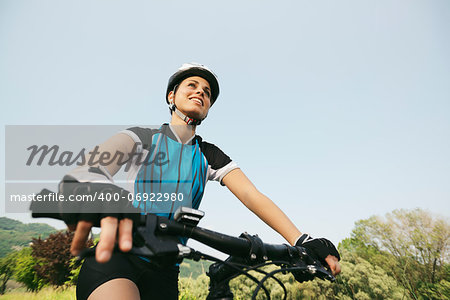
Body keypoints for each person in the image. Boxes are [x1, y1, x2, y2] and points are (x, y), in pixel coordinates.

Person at [61, 63, 341, 300]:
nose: (200, 93)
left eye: (206, 92)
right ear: (172, 95)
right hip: (117, 259)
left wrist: (302, 240)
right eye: (192, 86)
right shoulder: (140, 139)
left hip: (166, 271)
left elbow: (253, 196)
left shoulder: (209, 155)